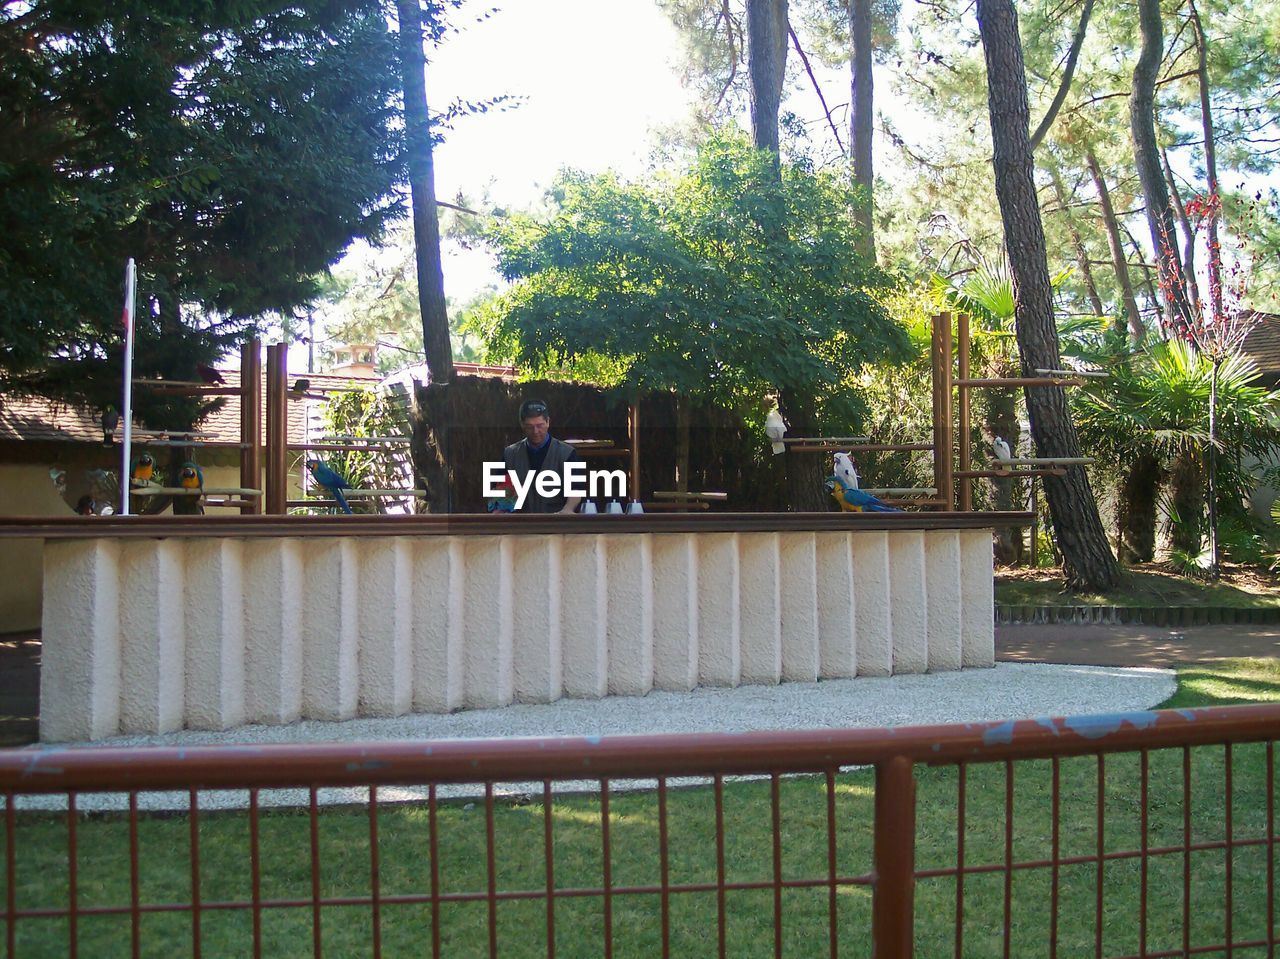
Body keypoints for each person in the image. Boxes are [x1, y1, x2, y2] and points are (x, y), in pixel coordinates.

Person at [502, 399, 583, 514]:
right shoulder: (510, 454)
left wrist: (568, 509)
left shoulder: (566, 453)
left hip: (556, 520)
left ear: (548, 422)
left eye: (540, 425)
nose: (535, 431)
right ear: (522, 425)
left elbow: (576, 489)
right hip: (521, 521)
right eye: (529, 427)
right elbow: (502, 495)